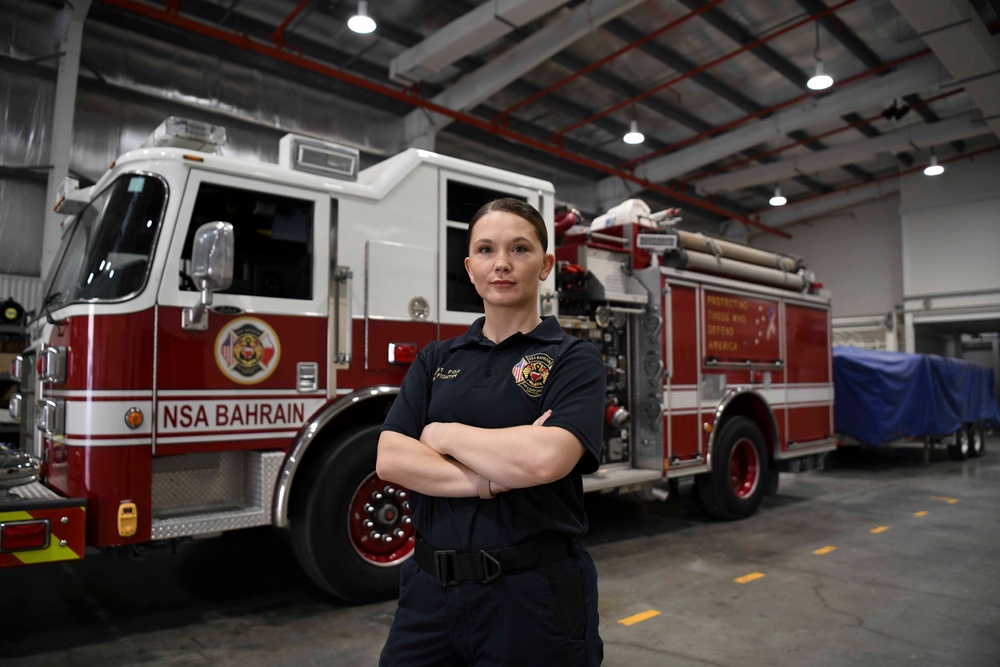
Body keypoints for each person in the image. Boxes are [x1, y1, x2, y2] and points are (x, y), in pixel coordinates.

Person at [376, 197, 606, 666]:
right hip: (428, 596)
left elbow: (544, 460)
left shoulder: (572, 359)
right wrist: (491, 479)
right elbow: (391, 459)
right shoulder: (436, 359)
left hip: (531, 597)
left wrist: (441, 435)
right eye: (485, 250)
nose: (501, 263)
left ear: (545, 266)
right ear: (470, 267)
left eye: (519, 249)